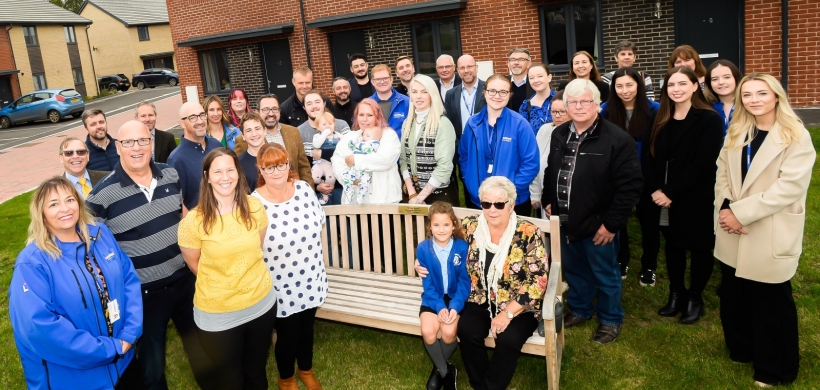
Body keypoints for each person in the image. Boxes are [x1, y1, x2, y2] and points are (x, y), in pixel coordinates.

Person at [87, 120, 212, 390]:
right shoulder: (100, 197)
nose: (136, 148)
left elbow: (184, 217)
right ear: (118, 147)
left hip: (184, 282)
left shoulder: (171, 175)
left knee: (201, 350)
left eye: (142, 140)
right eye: (128, 142)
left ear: (151, 143)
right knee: (152, 367)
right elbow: (93, 250)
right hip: (143, 295)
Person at [715, 73, 815, 387]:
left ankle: (775, 368)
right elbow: (721, 173)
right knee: (735, 294)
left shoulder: (795, 135)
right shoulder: (738, 131)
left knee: (770, 302)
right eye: (748, 95)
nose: (754, 100)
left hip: (768, 226)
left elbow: (789, 188)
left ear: (776, 96)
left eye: (762, 93)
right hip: (732, 227)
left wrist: (741, 214)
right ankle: (742, 349)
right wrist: (725, 208)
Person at [9, 176, 143, 390]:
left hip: (124, 363)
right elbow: (41, 329)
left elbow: (128, 280)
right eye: (54, 204)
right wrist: (110, 349)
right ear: (41, 214)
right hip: (77, 379)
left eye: (70, 200)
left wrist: (128, 334)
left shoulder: (101, 235)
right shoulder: (33, 263)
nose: (65, 208)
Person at [417, 176, 549, 390]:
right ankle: (479, 384)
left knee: (508, 340)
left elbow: (538, 281)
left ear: (512, 204)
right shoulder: (470, 227)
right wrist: (420, 260)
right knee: (468, 330)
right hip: (479, 297)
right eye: (486, 203)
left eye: (499, 203)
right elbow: (441, 243)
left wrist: (507, 314)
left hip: (518, 306)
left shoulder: (528, 233)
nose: (492, 210)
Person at [541, 79, 643, 344]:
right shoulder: (560, 134)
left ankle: (610, 318)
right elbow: (552, 171)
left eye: (585, 101)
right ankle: (581, 308)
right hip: (565, 220)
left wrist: (611, 224)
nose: (578, 107)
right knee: (575, 269)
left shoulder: (617, 139)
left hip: (599, 225)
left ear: (597, 104)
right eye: (572, 102)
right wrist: (548, 199)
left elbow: (631, 187)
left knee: (605, 273)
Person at [177, 148, 277, 390]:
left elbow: (257, 248)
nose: (225, 176)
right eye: (217, 171)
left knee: (256, 373)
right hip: (219, 316)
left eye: (230, 169)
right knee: (230, 380)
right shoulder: (194, 221)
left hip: (261, 305)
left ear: (239, 173)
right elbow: (195, 265)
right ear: (207, 176)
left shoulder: (254, 207)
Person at [644, 66, 723, 324]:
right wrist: (656, 189)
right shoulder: (661, 117)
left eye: (682, 84)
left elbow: (703, 163)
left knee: (700, 248)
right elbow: (649, 156)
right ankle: (676, 294)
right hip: (662, 196)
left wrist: (670, 192)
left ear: (694, 86)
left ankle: (694, 298)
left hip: (695, 194)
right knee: (673, 246)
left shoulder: (708, 119)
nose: (676, 89)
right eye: (671, 85)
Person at [251, 143, 328, 390]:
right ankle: (286, 378)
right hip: (279, 281)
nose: (276, 171)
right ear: (260, 170)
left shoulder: (304, 189)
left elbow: (320, 221)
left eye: (281, 164)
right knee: (287, 334)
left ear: (288, 165)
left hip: (310, 274)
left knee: (307, 328)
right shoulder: (254, 203)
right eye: (269, 167)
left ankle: (306, 369)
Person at [600, 67, 661, 284]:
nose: (625, 91)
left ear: (639, 85)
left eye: (630, 85)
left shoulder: (655, 109)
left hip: (647, 178)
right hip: (617, 178)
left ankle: (649, 266)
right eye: (619, 86)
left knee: (650, 225)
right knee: (619, 223)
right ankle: (621, 260)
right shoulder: (605, 111)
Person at [459, 74, 539, 215]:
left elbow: (530, 163)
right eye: (492, 91)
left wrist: (508, 191)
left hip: (512, 202)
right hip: (479, 201)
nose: (497, 96)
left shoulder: (520, 124)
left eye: (503, 92)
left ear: (510, 95)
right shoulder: (472, 123)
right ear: (484, 92)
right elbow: (464, 156)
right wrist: (470, 183)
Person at [416, 201, 470, 390]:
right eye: (436, 224)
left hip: (455, 298)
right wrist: (439, 307)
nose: (441, 229)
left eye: (446, 224)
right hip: (433, 298)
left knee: (448, 333)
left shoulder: (462, 247)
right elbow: (428, 284)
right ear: (429, 226)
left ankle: (438, 369)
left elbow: (465, 281)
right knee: (428, 332)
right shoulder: (423, 248)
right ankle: (447, 371)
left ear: (453, 225)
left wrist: (454, 306)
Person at [400, 74, 458, 206]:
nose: (418, 96)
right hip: (413, 195)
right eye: (414, 92)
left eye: (424, 92)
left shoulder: (442, 124)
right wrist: (412, 193)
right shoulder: (407, 123)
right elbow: (404, 159)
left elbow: (444, 166)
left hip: (439, 197)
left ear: (432, 95)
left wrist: (421, 198)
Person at [331, 98, 402, 204]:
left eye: (369, 115)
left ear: (377, 117)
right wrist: (350, 180)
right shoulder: (350, 137)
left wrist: (355, 159)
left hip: (385, 201)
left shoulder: (388, 135)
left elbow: (385, 160)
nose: (365, 119)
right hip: (356, 203)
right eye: (361, 115)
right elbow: (337, 162)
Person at [234, 94, 314, 188]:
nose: (271, 113)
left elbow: (304, 167)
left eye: (274, 109)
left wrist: (309, 191)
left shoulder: (294, 132)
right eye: (265, 109)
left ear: (280, 111)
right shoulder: (244, 139)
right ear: (257, 112)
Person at [444, 54, 487, 207]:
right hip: (462, 149)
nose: (466, 70)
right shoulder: (451, 94)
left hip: (485, 147)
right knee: (468, 184)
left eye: (469, 66)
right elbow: (449, 123)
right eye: (462, 67)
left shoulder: (488, 89)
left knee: (487, 185)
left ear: (476, 67)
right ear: (457, 70)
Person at [167, 102, 223, 213]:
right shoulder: (176, 159)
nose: (200, 121)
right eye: (192, 118)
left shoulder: (216, 145)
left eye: (202, 115)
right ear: (182, 123)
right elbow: (177, 202)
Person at [297, 90, 351, 203]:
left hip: (342, 185)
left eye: (317, 102)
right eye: (309, 103)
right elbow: (303, 164)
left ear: (324, 103)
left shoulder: (341, 125)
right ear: (304, 107)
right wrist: (316, 186)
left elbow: (348, 154)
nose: (314, 106)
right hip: (316, 188)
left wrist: (322, 154)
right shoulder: (299, 131)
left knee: (344, 219)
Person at [529, 91, 569, 217]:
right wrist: (535, 194)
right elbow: (535, 162)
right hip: (545, 197)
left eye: (563, 111)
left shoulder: (575, 134)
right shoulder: (544, 130)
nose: (557, 116)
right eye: (554, 111)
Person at [341, 126, 382, 204]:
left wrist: (359, 144)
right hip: (354, 168)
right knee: (344, 176)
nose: (364, 137)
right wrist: (358, 140)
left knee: (365, 182)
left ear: (376, 139)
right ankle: (349, 192)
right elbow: (350, 145)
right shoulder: (360, 142)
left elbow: (368, 149)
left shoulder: (375, 144)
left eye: (368, 136)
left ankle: (361, 196)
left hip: (365, 170)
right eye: (364, 135)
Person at [369, 64, 411, 138]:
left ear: (391, 79)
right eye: (378, 79)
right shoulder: (367, 104)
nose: (382, 82)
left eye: (385, 78)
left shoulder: (406, 102)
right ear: (373, 82)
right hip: (376, 148)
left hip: (400, 148)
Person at [310, 111, 343, 204]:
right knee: (314, 178)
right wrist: (324, 134)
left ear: (334, 124)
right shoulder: (317, 136)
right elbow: (316, 145)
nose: (328, 126)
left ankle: (326, 194)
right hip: (319, 163)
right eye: (324, 124)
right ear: (317, 127)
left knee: (331, 178)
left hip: (331, 164)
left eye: (330, 123)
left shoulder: (339, 136)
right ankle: (321, 182)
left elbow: (344, 147)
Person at [706, 60, 743, 136]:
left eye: (727, 77)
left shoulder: (748, 105)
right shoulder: (705, 108)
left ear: (736, 79)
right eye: (715, 79)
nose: (721, 82)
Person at [519, 63, 555, 134]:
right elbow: (522, 133)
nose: (535, 80)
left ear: (549, 77)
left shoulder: (561, 99)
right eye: (531, 78)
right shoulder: (526, 106)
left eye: (540, 76)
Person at [237, 112, 268, 190]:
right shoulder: (238, 163)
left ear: (265, 131)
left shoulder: (279, 156)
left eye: (257, 128)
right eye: (248, 130)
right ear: (243, 136)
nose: (254, 134)